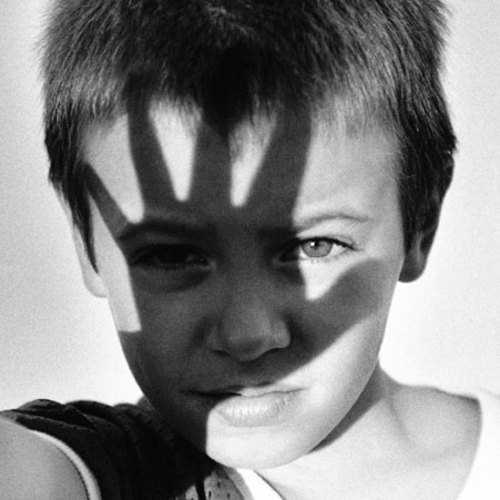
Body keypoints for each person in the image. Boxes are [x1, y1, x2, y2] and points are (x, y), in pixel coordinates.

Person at [1, 0, 499, 498]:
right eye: (171, 255)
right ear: (87, 243)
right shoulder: (115, 471)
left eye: (314, 246)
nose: (247, 336)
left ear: (421, 220)